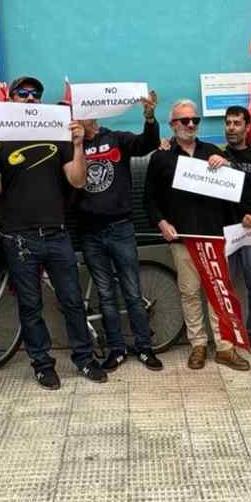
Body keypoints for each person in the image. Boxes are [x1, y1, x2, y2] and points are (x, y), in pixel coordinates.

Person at [0, 76, 105, 390]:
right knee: (30, 305)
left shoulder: (58, 135)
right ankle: (41, 363)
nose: (31, 98)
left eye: (35, 94)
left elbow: (77, 181)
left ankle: (84, 358)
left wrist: (78, 146)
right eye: (23, 93)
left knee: (72, 300)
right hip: (18, 236)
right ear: (11, 100)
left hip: (56, 233)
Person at [144, 100, 250, 372]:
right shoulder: (161, 157)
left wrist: (226, 165)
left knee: (218, 291)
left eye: (195, 120)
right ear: (172, 125)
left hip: (214, 238)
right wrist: (161, 223)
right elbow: (149, 199)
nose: (190, 125)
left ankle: (225, 348)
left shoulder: (213, 152)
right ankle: (198, 345)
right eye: (184, 121)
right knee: (189, 293)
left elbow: (236, 189)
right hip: (182, 238)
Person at [75, 90, 164, 371]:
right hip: (89, 233)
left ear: (95, 116)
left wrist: (149, 116)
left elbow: (147, 143)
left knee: (132, 292)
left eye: (81, 115)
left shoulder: (117, 138)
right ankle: (116, 349)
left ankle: (144, 347)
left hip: (121, 228)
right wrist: (75, 144)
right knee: (106, 294)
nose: (76, 120)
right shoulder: (72, 147)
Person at [209, 105, 251, 357]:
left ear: (248, 127)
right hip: (224, 233)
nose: (231, 128)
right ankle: (228, 337)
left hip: (250, 234)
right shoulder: (215, 154)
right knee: (224, 288)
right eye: (228, 123)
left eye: (237, 123)